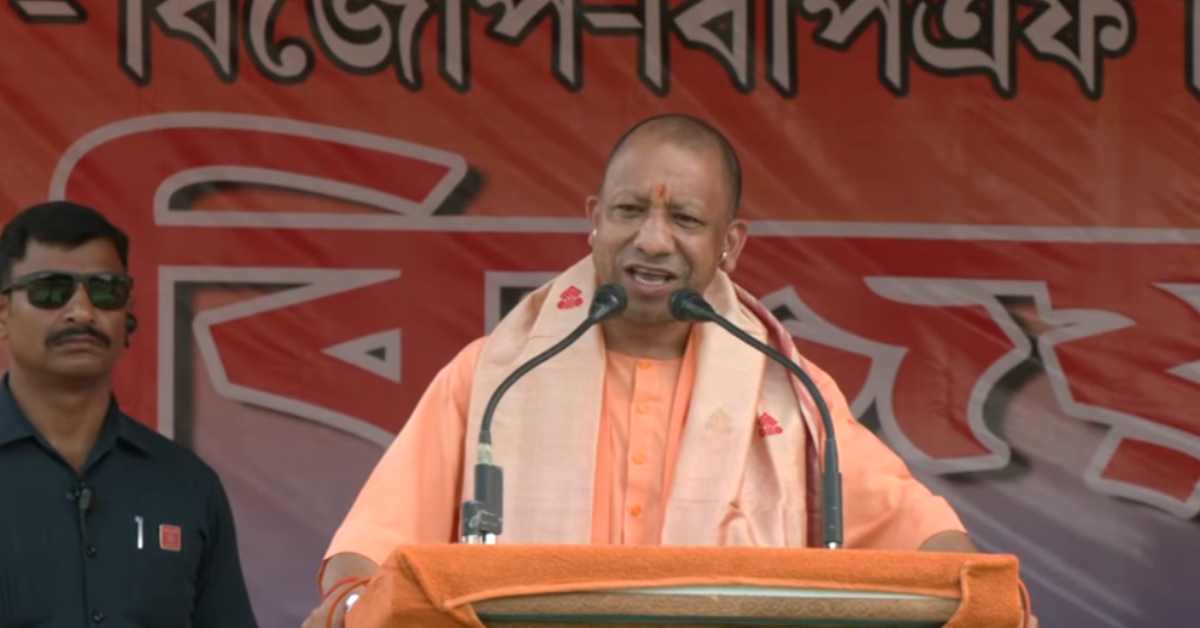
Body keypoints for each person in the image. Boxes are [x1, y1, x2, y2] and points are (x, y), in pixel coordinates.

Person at [303, 114, 978, 627]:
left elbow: (928, 543)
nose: (652, 240)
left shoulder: (790, 393)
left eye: (684, 218)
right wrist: (355, 604)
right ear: (594, 220)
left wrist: (986, 601)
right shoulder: (494, 377)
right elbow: (367, 553)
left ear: (730, 244)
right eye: (630, 211)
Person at [0, 201, 258, 627]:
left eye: (105, 290)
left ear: (127, 315)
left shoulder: (187, 486)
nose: (82, 312)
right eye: (50, 290)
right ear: (4, 313)